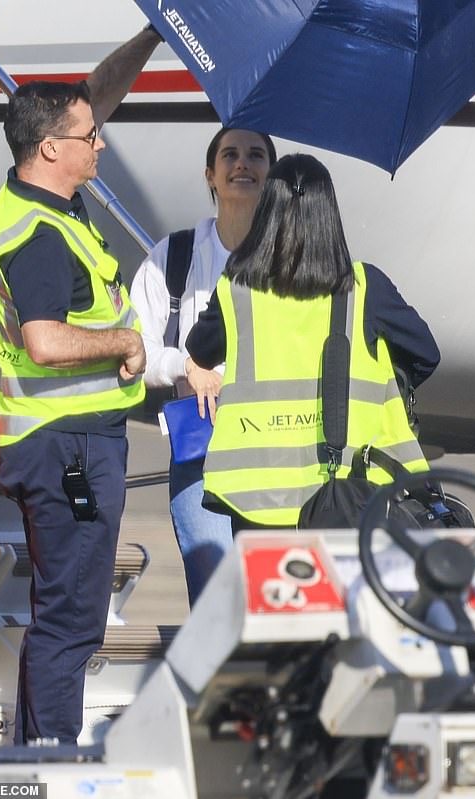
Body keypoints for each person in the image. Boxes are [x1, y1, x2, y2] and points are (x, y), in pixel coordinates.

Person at [0, 27, 161, 746]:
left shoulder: (45, 191)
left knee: (62, 618)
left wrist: (153, 34)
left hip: (67, 444)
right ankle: (51, 765)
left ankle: (36, 756)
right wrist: (123, 339)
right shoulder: (38, 234)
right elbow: (45, 339)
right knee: (70, 623)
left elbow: (93, 97)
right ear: (51, 148)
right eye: (90, 137)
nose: (103, 142)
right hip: (68, 451)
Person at [185, 153, 441, 530]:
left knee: (266, 591)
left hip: (256, 495)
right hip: (347, 493)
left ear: (266, 213)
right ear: (329, 214)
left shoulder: (236, 289)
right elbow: (426, 354)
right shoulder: (365, 288)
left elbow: (200, 349)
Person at [130, 127, 277, 604]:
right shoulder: (172, 258)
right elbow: (135, 348)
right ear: (210, 175)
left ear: (271, 175)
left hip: (280, 455)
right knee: (215, 595)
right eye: (230, 155)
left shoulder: (293, 259)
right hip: (202, 452)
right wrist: (184, 367)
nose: (243, 164)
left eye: (256, 156)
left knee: (273, 599)